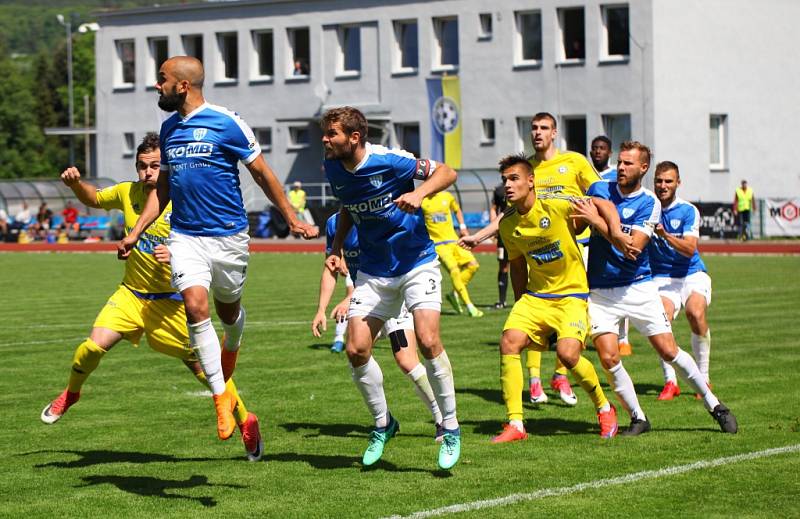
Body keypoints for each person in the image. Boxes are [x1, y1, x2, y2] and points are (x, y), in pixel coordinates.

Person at [119, 56, 318, 441]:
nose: (156, 86)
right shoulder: (169, 128)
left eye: (162, 80)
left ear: (183, 86)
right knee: (195, 306)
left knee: (229, 310)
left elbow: (262, 173)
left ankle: (235, 341)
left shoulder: (227, 122)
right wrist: (136, 231)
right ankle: (220, 398)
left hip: (228, 237)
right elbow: (162, 190)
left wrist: (292, 218)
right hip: (186, 236)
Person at [40, 133, 263, 461]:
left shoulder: (185, 200)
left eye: (155, 166)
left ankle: (247, 420)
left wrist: (175, 255)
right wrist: (76, 185)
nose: (147, 172)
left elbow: (207, 249)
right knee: (90, 347)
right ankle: (71, 395)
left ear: (168, 167)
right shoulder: (127, 192)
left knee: (207, 370)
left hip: (171, 304)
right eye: (142, 166)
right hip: (130, 295)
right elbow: (94, 198)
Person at [321, 106, 461, 470]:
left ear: (354, 137)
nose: (325, 139)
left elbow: (448, 172)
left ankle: (450, 427)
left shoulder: (392, 161)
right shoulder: (334, 166)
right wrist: (336, 248)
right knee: (356, 349)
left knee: (428, 342)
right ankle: (384, 423)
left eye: (331, 133)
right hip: (374, 271)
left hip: (416, 261)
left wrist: (420, 194)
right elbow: (349, 205)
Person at [461, 114, 630, 407]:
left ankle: (566, 373)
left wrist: (613, 230)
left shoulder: (574, 162)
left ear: (554, 133)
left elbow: (601, 198)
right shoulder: (525, 169)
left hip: (576, 245)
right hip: (534, 243)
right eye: (533, 128)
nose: (537, 133)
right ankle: (535, 381)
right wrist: (481, 235)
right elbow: (513, 215)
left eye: (543, 128)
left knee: (569, 338)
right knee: (529, 306)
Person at [574, 140, 737, 435]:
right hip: (599, 290)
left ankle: (714, 404)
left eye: (628, 163)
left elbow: (632, 249)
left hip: (638, 288)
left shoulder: (650, 203)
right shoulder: (598, 189)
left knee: (668, 350)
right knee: (609, 356)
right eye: (620, 162)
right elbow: (578, 223)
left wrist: (597, 221)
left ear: (643, 167)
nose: (621, 168)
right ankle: (638, 417)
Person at [490, 154, 618, 443]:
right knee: (509, 342)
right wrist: (521, 303)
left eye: (514, 179)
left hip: (571, 295)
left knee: (568, 354)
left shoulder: (558, 206)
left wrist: (613, 232)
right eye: (505, 180)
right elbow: (518, 265)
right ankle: (516, 425)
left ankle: (605, 407)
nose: (508, 186)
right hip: (535, 298)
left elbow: (599, 205)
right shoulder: (508, 224)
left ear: (531, 181)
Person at [313, 212, 445, 440]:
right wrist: (321, 310)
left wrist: (348, 298)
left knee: (407, 361)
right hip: (366, 302)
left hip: (390, 294)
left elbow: (387, 268)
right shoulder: (335, 223)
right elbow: (330, 268)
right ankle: (385, 421)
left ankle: (442, 419)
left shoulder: (376, 217)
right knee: (356, 354)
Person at [648, 161, 714, 400]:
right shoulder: (647, 207)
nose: (663, 185)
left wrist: (664, 234)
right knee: (660, 322)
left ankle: (703, 377)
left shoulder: (688, 210)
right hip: (663, 278)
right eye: (659, 180)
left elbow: (689, 248)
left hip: (691, 273)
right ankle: (670, 382)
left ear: (678, 183)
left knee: (695, 314)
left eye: (668, 181)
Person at [591, 134, 633, 357]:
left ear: (609, 154)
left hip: (612, 238)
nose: (598, 151)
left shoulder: (615, 178)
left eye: (602, 148)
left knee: (620, 285)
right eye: (594, 148)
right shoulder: (587, 176)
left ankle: (623, 337)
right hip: (587, 240)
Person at [421, 190, 483, 317]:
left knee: (473, 265)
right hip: (438, 245)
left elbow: (457, 210)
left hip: (454, 240)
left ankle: (453, 293)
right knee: (454, 271)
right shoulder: (422, 200)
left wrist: (463, 227)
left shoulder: (447, 196)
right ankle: (470, 306)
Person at [490, 182, 510, 309]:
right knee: (503, 266)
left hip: (522, 232)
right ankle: (502, 301)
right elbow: (493, 208)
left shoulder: (526, 185)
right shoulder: (499, 190)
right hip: (503, 234)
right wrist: (494, 226)